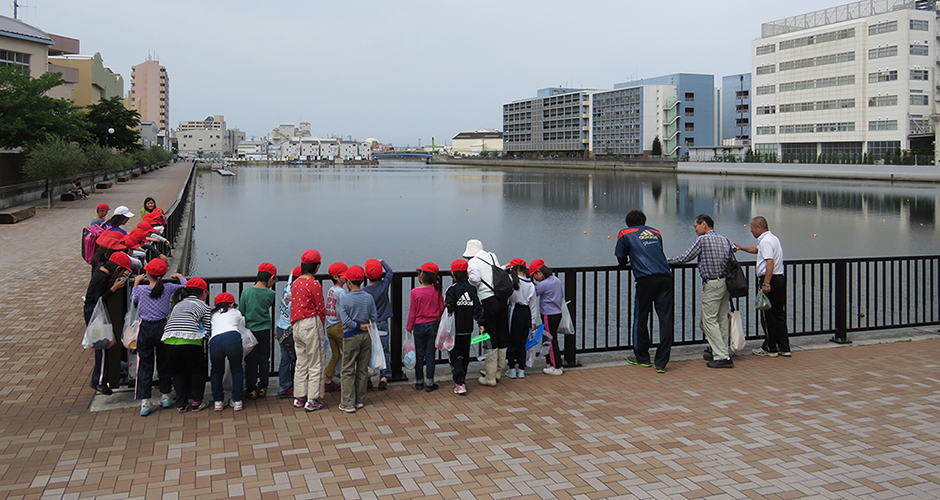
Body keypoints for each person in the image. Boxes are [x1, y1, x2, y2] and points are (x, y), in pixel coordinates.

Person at [668, 214, 735, 369]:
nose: (695, 230)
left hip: (712, 283)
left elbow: (685, 257)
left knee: (709, 320)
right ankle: (723, 351)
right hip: (726, 283)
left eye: (696, 226)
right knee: (722, 320)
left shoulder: (703, 240)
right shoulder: (725, 239)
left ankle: (722, 356)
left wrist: (665, 261)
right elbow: (731, 262)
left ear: (704, 224)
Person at [614, 210, 674, 373]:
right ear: (644, 220)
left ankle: (643, 358)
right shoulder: (656, 232)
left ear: (627, 222)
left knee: (641, 317)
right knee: (665, 319)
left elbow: (620, 256)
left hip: (646, 279)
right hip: (666, 277)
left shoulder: (625, 233)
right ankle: (661, 362)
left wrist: (624, 263)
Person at [131, 258, 187, 416]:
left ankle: (145, 402)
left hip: (146, 327)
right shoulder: (168, 287)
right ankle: (165, 396)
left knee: (145, 364)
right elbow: (185, 286)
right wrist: (180, 276)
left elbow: (133, 299)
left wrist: (136, 281)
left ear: (147, 273)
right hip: (163, 326)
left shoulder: (141, 289)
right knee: (164, 362)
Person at [733, 216, 790, 358]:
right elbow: (757, 250)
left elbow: (769, 262)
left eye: (752, 228)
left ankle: (770, 348)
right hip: (780, 279)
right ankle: (784, 346)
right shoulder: (773, 239)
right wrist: (741, 248)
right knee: (779, 314)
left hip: (770, 280)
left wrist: (766, 282)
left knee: (768, 315)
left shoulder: (765, 241)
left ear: (759, 228)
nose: (751, 231)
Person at [161, 276, 211, 413]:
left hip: (169, 339)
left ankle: (181, 404)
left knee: (177, 372)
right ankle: (196, 402)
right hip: (190, 340)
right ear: (204, 292)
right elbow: (207, 329)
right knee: (198, 371)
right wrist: (201, 339)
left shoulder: (178, 304)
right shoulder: (204, 306)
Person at [83, 252, 131, 395]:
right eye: (122, 271)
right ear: (117, 269)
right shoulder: (102, 278)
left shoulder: (100, 271)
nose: (122, 274)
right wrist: (114, 288)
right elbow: (100, 299)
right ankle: (99, 382)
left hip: (92, 311)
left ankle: (105, 376)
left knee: (104, 347)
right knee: (103, 347)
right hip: (95, 313)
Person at [463, 239, 508, 387]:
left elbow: (475, 279)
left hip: (487, 301)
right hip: (501, 299)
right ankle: (498, 371)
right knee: (501, 333)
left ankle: (490, 377)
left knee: (490, 336)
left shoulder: (472, 262)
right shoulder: (492, 255)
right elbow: (495, 272)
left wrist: (466, 282)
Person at [290, 250, 327, 412]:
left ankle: (299, 396)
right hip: (311, 323)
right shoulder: (314, 284)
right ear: (317, 267)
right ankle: (313, 398)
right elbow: (320, 306)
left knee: (301, 361)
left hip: (296, 325)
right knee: (316, 362)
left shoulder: (295, 283)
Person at [337, 265, 377, 413]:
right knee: (362, 369)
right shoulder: (369, 297)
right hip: (367, 336)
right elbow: (374, 317)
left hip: (350, 336)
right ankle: (360, 400)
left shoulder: (345, 299)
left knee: (347, 369)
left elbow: (345, 320)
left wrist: (358, 326)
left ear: (348, 282)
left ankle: (347, 403)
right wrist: (365, 325)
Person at [445, 259, 484, 395]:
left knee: (455, 356)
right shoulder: (472, 289)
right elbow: (477, 308)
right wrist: (481, 323)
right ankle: (463, 379)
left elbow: (448, 308)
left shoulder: (451, 290)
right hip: (467, 329)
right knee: (465, 356)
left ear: (453, 274)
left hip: (454, 330)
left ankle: (459, 382)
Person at [240, 263, 277, 399]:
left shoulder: (246, 292)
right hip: (265, 329)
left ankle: (251, 388)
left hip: (250, 331)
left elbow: (242, 311)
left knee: (250, 361)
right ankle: (263, 386)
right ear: (271, 278)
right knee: (264, 359)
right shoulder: (271, 294)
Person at [406, 262, 444, 392]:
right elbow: (441, 308)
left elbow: (412, 311)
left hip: (419, 325)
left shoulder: (415, 292)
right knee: (430, 355)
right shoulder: (437, 290)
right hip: (433, 324)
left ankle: (419, 382)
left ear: (422, 275)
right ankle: (429, 383)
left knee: (419, 354)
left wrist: (409, 326)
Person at [209, 292, 246, 412]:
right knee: (237, 370)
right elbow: (242, 327)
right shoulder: (236, 312)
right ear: (231, 304)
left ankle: (218, 402)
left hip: (215, 341)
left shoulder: (213, 314)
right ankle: (237, 401)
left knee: (216, 371)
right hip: (233, 338)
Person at [530, 259, 565, 376]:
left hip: (548, 314)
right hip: (557, 312)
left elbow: (533, 294)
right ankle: (551, 364)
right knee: (552, 338)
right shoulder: (557, 280)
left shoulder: (544, 284)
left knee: (550, 340)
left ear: (539, 272)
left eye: (535, 275)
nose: (535, 279)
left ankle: (556, 366)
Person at [362, 259, 393, 389]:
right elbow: (390, 272)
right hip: (383, 323)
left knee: (369, 350)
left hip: (369, 325)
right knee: (384, 349)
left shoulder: (364, 291)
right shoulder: (383, 286)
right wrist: (383, 262)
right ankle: (385, 376)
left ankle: (368, 377)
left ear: (366, 275)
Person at [506, 258, 537, 379]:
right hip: (526, 313)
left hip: (514, 310)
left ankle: (512, 368)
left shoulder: (512, 281)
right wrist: (533, 321)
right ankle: (522, 369)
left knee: (511, 339)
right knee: (523, 340)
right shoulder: (530, 284)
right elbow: (533, 305)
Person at [275, 266, 301, 398]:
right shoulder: (298, 294)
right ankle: (290, 386)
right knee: (295, 359)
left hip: (280, 328)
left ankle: (284, 387)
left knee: (285, 359)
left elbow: (292, 273)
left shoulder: (288, 287)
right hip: (290, 331)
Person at [323, 262, 348, 393]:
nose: (347, 277)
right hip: (339, 327)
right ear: (337, 277)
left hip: (329, 326)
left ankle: (327, 380)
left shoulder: (331, 290)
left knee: (336, 354)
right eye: (345, 275)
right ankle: (348, 380)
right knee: (348, 354)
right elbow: (343, 311)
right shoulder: (341, 292)